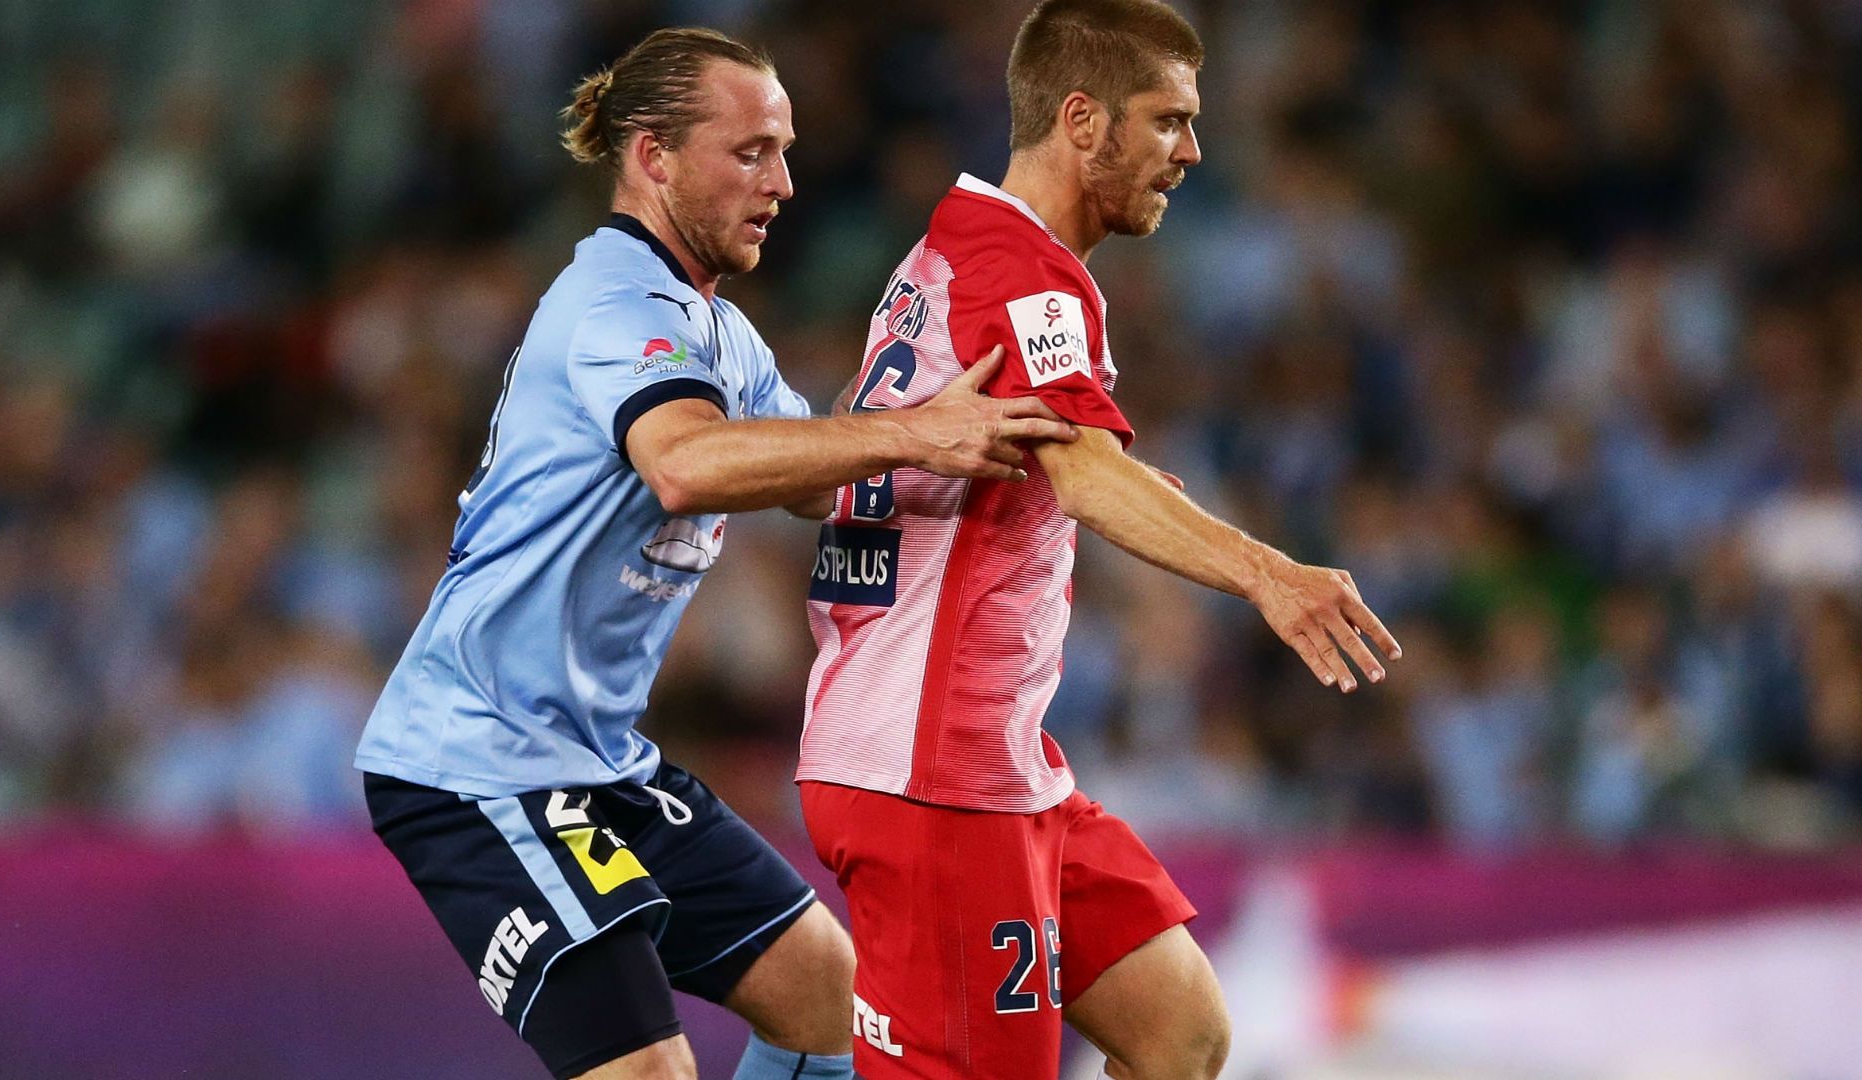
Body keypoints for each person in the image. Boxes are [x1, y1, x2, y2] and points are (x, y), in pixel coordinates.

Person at [355, 27, 1077, 1080]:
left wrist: (963, 423)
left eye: (785, 151)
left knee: (831, 1001)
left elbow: (816, 478)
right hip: (476, 766)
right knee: (650, 1071)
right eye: (749, 153)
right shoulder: (615, 302)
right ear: (650, 156)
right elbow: (686, 464)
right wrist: (913, 434)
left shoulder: (717, 333)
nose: (783, 183)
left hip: (593, 763)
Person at [797, 2, 1403, 1077]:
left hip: (999, 761)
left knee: (1180, 1033)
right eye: (1168, 121)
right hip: (931, 776)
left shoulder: (954, 251)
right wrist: (1270, 576)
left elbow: (1033, 468)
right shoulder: (1020, 272)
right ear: (1083, 121)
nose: (1193, 152)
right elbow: (1078, 475)